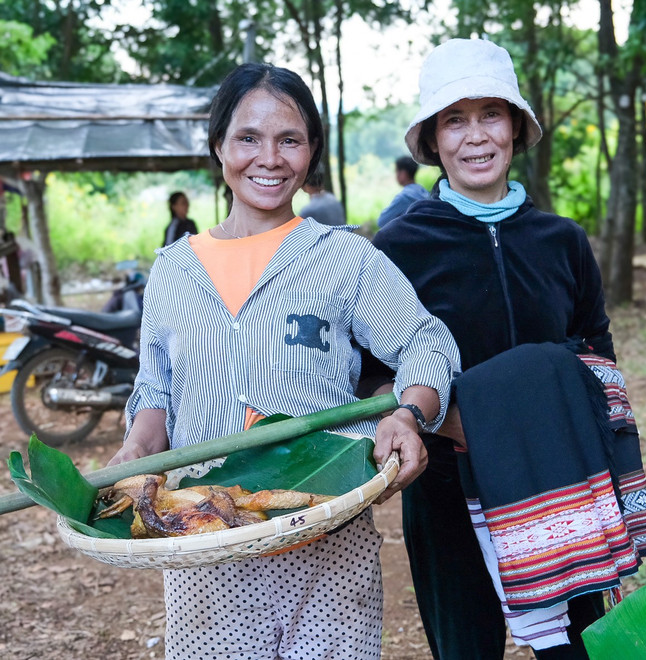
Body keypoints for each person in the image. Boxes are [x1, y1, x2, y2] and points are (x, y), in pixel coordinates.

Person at [109, 62, 460, 660]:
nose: (268, 158)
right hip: (204, 544)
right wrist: (138, 451)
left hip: (326, 529)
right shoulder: (172, 269)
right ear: (218, 144)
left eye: (289, 139)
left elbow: (424, 341)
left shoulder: (342, 256)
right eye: (248, 137)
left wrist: (408, 415)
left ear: (311, 152)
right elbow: (156, 389)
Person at [362, 38, 646, 659]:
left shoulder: (562, 241)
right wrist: (447, 420)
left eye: (490, 115)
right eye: (454, 119)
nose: (475, 137)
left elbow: (596, 361)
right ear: (434, 140)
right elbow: (371, 378)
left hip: (562, 487)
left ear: (516, 128)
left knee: (578, 647)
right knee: (466, 649)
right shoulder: (398, 247)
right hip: (447, 486)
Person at [376, 156, 428, 228]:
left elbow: (382, 221)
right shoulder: (423, 191)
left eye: (396, 171)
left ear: (403, 173)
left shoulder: (404, 197)